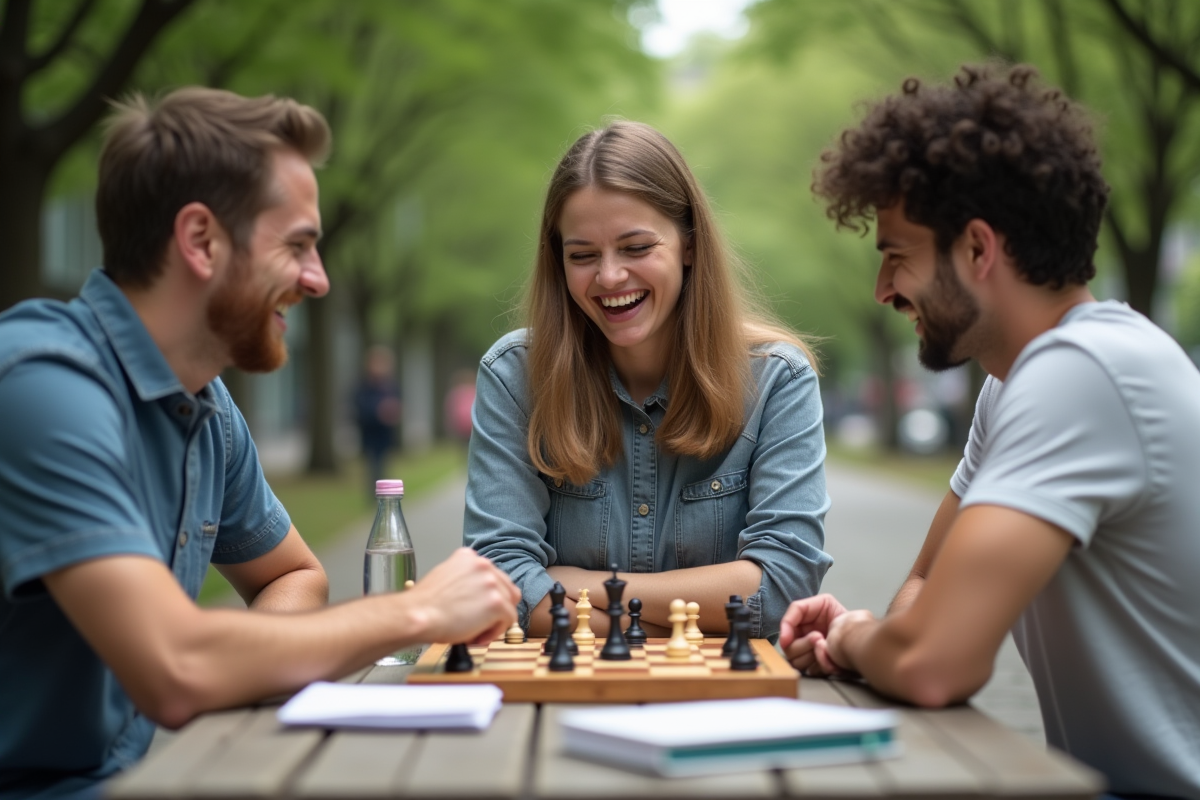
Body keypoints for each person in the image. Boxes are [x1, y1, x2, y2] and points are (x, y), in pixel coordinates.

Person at [0, 88, 518, 800]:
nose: (319, 279)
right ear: (201, 240)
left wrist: (249, 662)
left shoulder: (207, 408)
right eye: (298, 244)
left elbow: (292, 576)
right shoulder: (40, 386)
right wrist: (419, 609)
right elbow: (178, 668)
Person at [780, 64, 1200, 798]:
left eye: (895, 256)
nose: (882, 292)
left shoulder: (1085, 372)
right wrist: (883, 640)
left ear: (978, 250)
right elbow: (922, 588)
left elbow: (936, 665)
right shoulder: (1017, 383)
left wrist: (856, 639)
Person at [464, 121, 831, 641]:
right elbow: (497, 584)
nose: (609, 277)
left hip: (724, 707)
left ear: (688, 244)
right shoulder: (513, 377)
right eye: (583, 255)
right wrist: (692, 613)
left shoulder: (778, 379)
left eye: (636, 247)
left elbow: (782, 587)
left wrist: (580, 586)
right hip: (558, 703)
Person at [354, 344, 402, 498]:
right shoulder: (364, 385)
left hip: (385, 434)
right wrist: (378, 411)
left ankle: (383, 493)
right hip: (370, 432)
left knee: (383, 464)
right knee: (372, 464)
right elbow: (359, 407)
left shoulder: (390, 386)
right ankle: (373, 495)